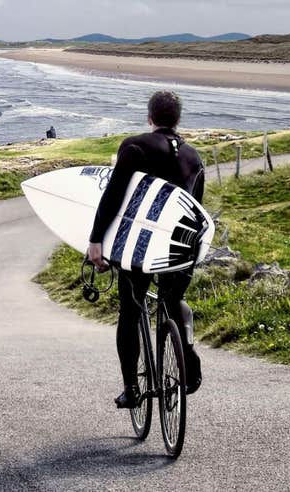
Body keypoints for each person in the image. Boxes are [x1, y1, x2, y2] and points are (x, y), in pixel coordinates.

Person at [87, 91, 205, 408]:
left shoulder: (135, 146)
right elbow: (197, 211)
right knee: (174, 299)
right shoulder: (194, 157)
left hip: (141, 249)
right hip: (180, 249)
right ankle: (188, 353)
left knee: (131, 309)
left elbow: (113, 196)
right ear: (178, 119)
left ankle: (132, 389)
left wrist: (96, 240)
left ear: (149, 117)